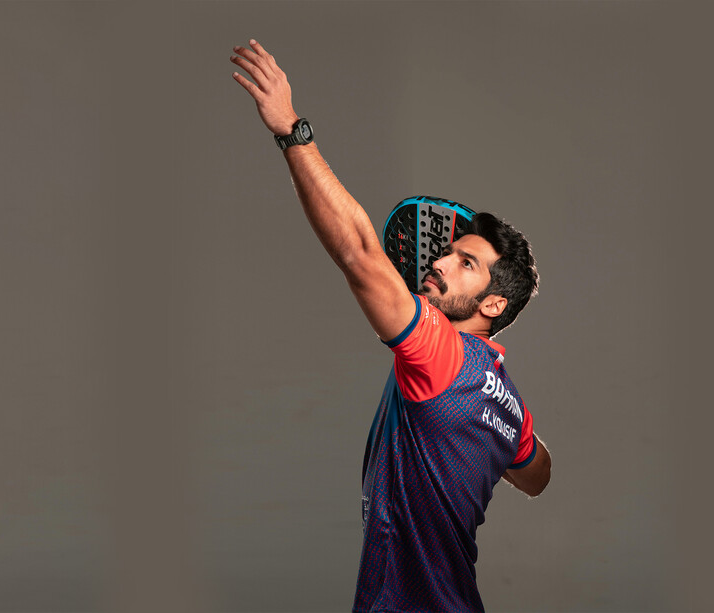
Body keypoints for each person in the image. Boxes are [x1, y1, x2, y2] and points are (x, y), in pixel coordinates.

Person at [230, 39, 552, 612]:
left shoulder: (440, 355)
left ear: (494, 307)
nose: (439, 263)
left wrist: (291, 131)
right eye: (448, 253)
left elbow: (359, 254)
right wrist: (492, 432)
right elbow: (537, 475)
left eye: (466, 264)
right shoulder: (507, 402)